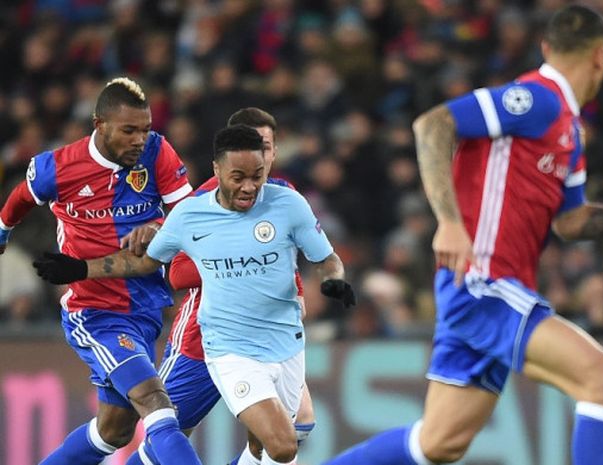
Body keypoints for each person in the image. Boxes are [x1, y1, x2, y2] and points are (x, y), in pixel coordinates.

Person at [321, 5, 603, 465]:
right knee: (601, 378)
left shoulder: (569, 132)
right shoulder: (536, 99)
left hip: (492, 288)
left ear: (547, 46)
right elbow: (433, 125)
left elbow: (572, 222)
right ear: (602, 57)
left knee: (438, 443)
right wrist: (451, 221)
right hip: (484, 281)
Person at [34, 124, 357, 465]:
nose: (249, 186)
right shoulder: (193, 213)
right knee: (279, 445)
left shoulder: (289, 203)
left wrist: (333, 279)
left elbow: (326, 258)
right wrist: (81, 269)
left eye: (257, 174)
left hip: (284, 344)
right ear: (218, 169)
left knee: (277, 442)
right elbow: (154, 265)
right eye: (239, 177)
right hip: (224, 347)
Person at [0, 78, 202, 465]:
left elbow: (190, 216)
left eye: (144, 129)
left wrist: (160, 228)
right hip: (95, 312)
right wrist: (3, 229)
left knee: (114, 430)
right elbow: (23, 197)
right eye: (129, 131)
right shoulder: (57, 168)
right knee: (155, 400)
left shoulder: (157, 152)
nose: (139, 139)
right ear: (100, 124)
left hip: (144, 307)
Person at [125, 108, 318, 465]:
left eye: (268, 147)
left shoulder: (284, 195)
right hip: (204, 339)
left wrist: (296, 291)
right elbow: (178, 272)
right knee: (169, 434)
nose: (263, 154)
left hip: (265, 339)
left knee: (292, 429)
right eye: (255, 145)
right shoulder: (204, 203)